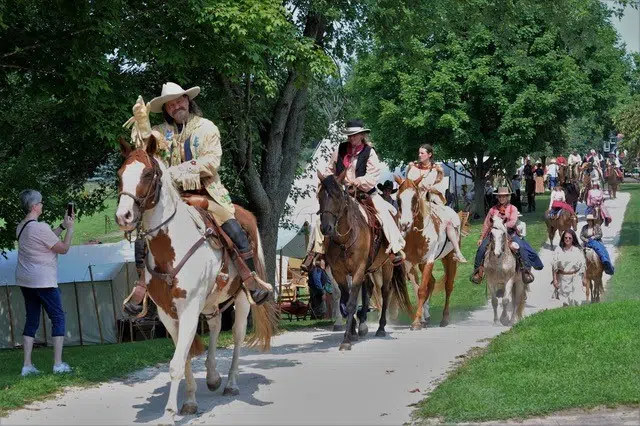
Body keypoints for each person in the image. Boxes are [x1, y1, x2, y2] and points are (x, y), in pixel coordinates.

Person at [127, 82, 271, 305]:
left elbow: (211, 162)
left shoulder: (207, 128)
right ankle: (142, 287)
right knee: (143, 234)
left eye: (179, 101)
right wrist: (144, 127)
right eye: (170, 105)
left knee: (233, 228)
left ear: (187, 100)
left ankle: (251, 280)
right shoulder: (162, 133)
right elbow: (147, 152)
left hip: (207, 194)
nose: (176, 107)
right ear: (166, 110)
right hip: (172, 198)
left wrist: (172, 173)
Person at [302, 119, 406, 271]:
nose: (351, 138)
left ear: (362, 135)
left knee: (384, 214)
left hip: (365, 194)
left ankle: (394, 249)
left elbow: (372, 176)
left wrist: (356, 182)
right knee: (322, 218)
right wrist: (330, 182)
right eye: (349, 135)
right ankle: (316, 254)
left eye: (354, 135)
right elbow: (330, 169)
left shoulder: (370, 152)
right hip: (342, 194)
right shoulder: (340, 149)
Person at [15, 190, 75, 376]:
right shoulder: (40, 227)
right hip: (44, 282)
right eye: (41, 203)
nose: (42, 205)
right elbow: (63, 249)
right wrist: (71, 229)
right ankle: (57, 364)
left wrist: (62, 226)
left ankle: (27, 366)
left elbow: (45, 238)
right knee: (58, 318)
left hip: (26, 281)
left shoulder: (21, 226)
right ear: (34, 206)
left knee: (32, 319)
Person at [407, 144, 468, 263]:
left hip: (431, 202)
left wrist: (430, 188)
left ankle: (457, 251)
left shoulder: (436, 170)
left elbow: (440, 188)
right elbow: (408, 184)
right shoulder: (413, 168)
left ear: (429, 155)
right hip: (414, 203)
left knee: (448, 221)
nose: (419, 155)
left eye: (422, 153)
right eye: (419, 153)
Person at [471, 187, 543, 284]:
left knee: (521, 246)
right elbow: (487, 224)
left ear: (508, 197)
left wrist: (502, 226)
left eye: (504, 196)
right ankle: (477, 271)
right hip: (495, 233)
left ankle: (525, 270)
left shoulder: (513, 208)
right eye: (500, 196)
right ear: (497, 197)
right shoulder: (492, 210)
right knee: (481, 248)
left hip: (510, 232)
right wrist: (481, 237)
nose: (502, 198)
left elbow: (513, 221)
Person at [552, 229, 586, 307]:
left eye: (569, 238)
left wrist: (584, 278)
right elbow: (554, 266)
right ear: (563, 238)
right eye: (565, 238)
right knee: (565, 300)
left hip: (576, 276)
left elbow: (583, 265)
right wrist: (555, 279)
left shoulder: (578, 250)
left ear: (573, 239)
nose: (567, 239)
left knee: (576, 299)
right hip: (563, 277)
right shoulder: (558, 250)